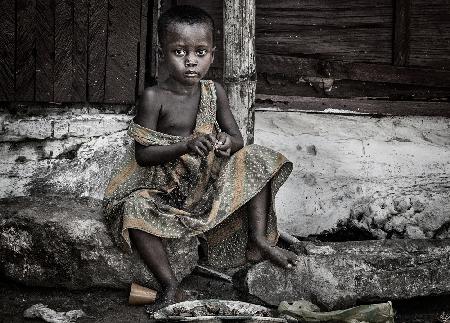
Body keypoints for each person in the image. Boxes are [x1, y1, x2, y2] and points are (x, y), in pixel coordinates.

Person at [103, 5, 297, 309]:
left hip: (207, 185)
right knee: (132, 208)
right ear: (162, 53)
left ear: (213, 54)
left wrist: (224, 142)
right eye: (179, 52)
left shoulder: (214, 92)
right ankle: (171, 285)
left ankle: (259, 240)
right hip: (167, 191)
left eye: (200, 52)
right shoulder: (154, 97)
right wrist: (185, 145)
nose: (191, 60)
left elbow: (238, 140)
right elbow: (143, 154)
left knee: (257, 157)